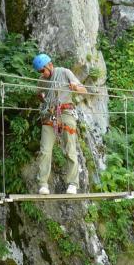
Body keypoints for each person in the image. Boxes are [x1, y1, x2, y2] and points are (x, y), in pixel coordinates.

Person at [32, 53, 87, 195]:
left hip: (66, 112)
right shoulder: (42, 80)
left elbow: (84, 90)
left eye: (42, 70)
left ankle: (73, 184)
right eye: (39, 72)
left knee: (70, 148)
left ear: (49, 65)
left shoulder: (64, 72)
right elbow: (38, 93)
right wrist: (44, 100)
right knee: (45, 150)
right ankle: (43, 184)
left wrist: (75, 87)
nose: (42, 74)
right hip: (49, 115)